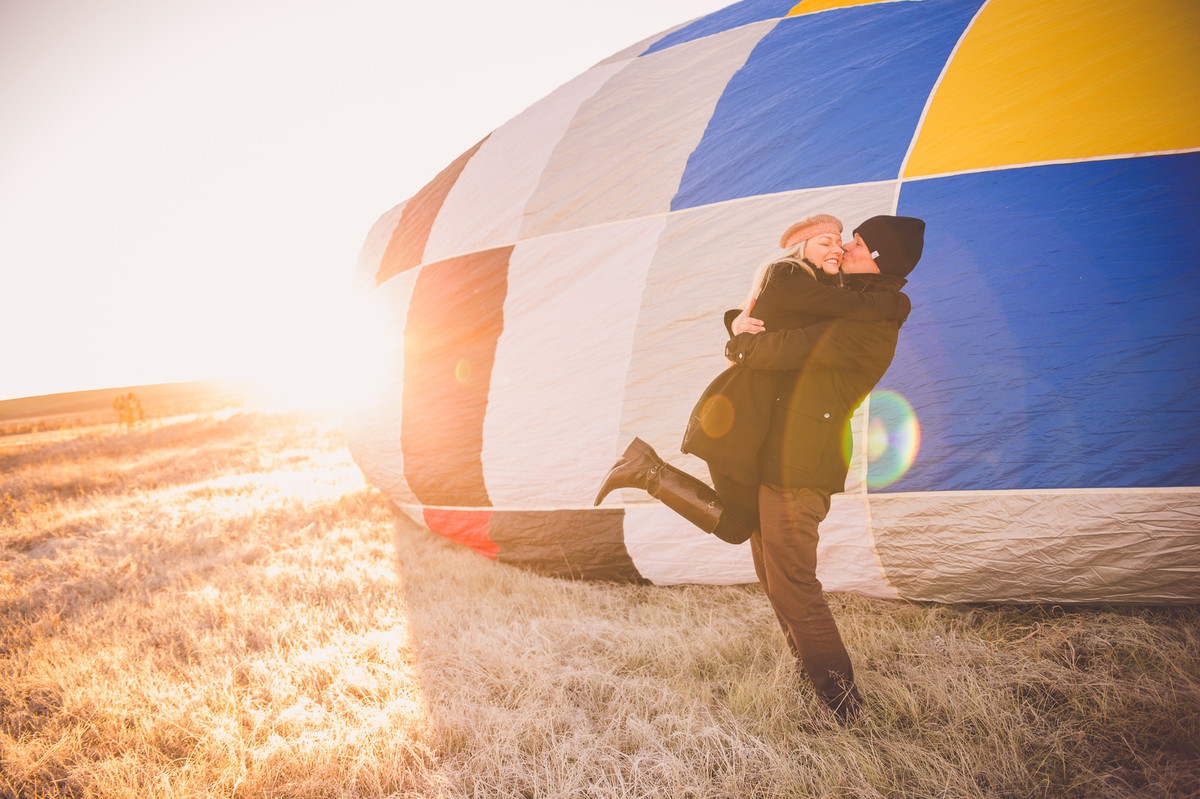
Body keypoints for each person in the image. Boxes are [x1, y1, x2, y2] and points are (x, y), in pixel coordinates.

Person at [594, 214, 910, 548]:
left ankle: (646, 468)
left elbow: (780, 318)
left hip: (752, 411)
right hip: (740, 410)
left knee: (743, 523)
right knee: (737, 527)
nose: (839, 249)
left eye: (841, 240)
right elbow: (837, 307)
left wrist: (735, 322)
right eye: (825, 242)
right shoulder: (789, 273)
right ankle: (646, 471)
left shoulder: (816, 282)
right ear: (801, 248)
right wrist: (897, 303)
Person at [725, 214, 926, 720]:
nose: (844, 249)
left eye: (855, 244)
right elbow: (778, 309)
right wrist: (735, 320)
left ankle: (844, 708)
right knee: (774, 577)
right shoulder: (846, 299)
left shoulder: (873, 322)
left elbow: (788, 348)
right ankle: (810, 674)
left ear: (876, 259)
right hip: (775, 453)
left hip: (802, 465)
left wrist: (742, 345)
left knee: (794, 582)